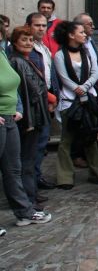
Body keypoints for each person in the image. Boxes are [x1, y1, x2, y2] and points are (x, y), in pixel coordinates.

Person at [53, 20, 98, 189]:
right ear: (71, 35)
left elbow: (95, 72)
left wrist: (84, 87)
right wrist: (76, 88)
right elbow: (63, 77)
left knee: (90, 137)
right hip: (69, 102)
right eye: (81, 32)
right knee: (66, 140)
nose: (85, 35)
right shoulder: (60, 55)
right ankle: (64, 177)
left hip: (88, 100)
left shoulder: (87, 51)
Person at [0, 46, 52, 227]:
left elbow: (14, 84)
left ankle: (24, 212)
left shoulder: (2, 53)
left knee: (13, 168)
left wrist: (19, 108)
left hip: (10, 118)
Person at [9, 26, 51, 208]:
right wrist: (30, 122)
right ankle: (28, 199)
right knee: (25, 161)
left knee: (30, 159)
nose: (28, 43)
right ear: (15, 42)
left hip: (36, 116)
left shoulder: (27, 60)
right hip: (28, 119)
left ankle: (31, 193)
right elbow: (25, 94)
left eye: (30, 40)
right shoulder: (16, 62)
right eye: (24, 40)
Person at [26, 13, 57, 190]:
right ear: (29, 25)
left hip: (45, 102)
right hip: (34, 103)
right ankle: (30, 185)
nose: (41, 29)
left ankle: (36, 178)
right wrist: (48, 96)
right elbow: (30, 79)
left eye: (44, 26)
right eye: (37, 25)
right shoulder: (27, 48)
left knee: (41, 143)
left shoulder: (43, 47)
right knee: (32, 146)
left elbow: (49, 74)